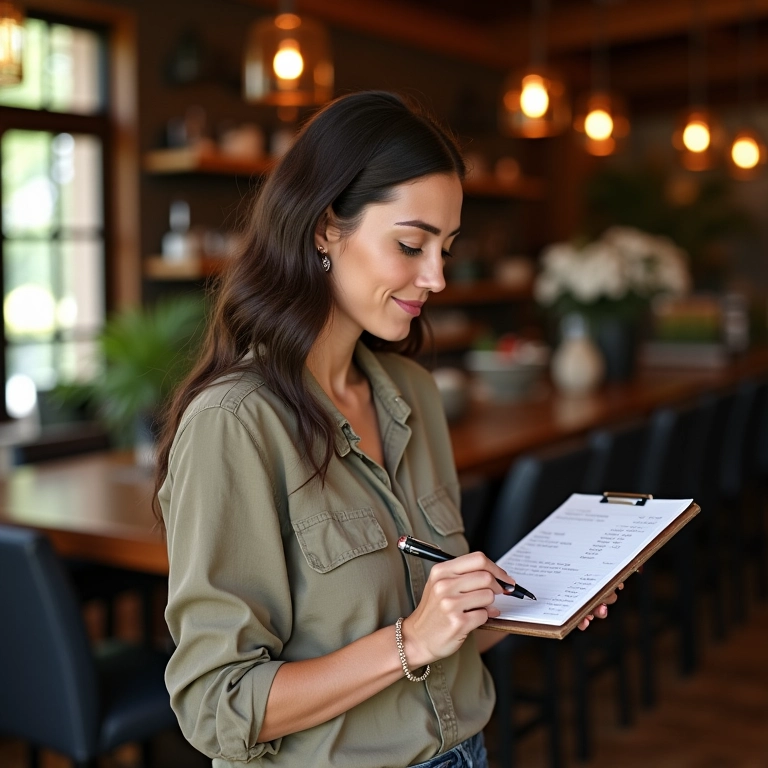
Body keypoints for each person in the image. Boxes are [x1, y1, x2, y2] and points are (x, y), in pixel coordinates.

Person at [155, 90, 617, 768]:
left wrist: (543, 603)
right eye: (411, 244)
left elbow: (438, 637)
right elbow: (216, 705)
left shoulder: (413, 394)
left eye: (446, 248)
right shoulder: (235, 424)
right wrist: (410, 641)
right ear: (323, 228)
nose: (435, 276)